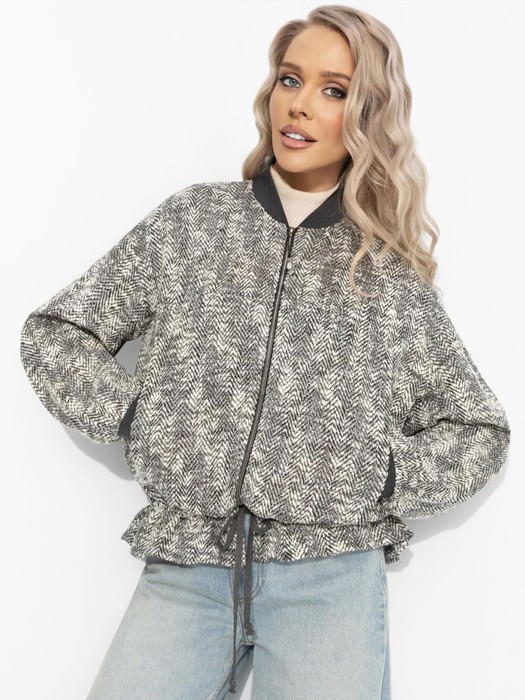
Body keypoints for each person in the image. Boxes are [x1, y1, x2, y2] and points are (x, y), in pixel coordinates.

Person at [19, 5, 511, 699]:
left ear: (366, 116)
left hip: (329, 579)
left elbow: (478, 430)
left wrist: (377, 474)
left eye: (333, 90)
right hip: (189, 565)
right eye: (289, 79)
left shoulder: (386, 277)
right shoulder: (193, 224)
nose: (300, 104)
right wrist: (140, 417)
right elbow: (57, 333)